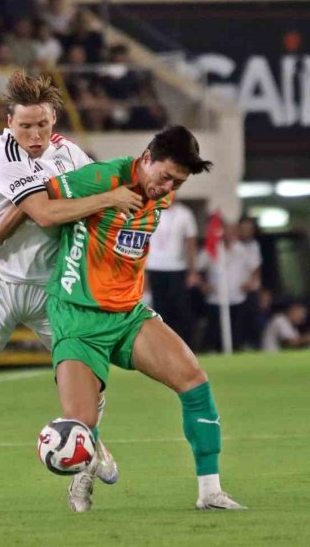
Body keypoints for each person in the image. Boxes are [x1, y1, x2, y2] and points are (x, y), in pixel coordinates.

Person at [0, 72, 141, 518]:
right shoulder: (6, 154)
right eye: (25, 126)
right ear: (9, 123)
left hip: (52, 290)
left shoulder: (70, 153)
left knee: (86, 382)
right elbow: (40, 212)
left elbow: (63, 205)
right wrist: (108, 199)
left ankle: (84, 464)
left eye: (42, 124)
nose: (35, 135)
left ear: (53, 118)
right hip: (0, 286)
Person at [43, 126, 244, 511]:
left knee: (194, 381)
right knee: (80, 424)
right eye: (165, 176)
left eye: (178, 183)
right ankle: (84, 471)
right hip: (78, 317)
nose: (168, 187)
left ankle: (210, 492)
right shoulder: (104, 177)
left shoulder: (161, 194)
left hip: (128, 315)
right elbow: (40, 206)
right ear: (146, 158)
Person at [145, 201, 201, 348]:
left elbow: (191, 244)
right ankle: (163, 348)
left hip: (177, 268)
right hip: (154, 267)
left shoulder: (185, 213)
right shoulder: (148, 210)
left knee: (183, 311)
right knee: (159, 312)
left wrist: (193, 271)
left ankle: (187, 347)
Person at [197, 223, 253, 352]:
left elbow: (254, 269)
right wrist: (203, 285)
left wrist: (249, 283)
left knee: (237, 336)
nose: (229, 234)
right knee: (214, 336)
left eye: (232, 231)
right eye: (227, 231)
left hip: (237, 298)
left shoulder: (243, 250)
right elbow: (196, 269)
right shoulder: (211, 249)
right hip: (215, 299)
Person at [237, 216, 263, 349]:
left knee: (253, 319)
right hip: (235, 291)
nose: (246, 231)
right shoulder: (234, 245)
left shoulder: (254, 246)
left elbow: (256, 267)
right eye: (244, 228)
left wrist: (252, 284)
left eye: (249, 229)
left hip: (250, 289)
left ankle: (255, 345)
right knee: (239, 321)